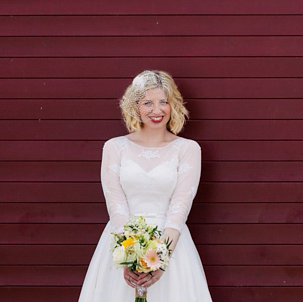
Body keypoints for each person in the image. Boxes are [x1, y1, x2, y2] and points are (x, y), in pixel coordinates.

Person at [78, 70, 213, 302]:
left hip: (171, 245)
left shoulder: (188, 149)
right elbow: (116, 203)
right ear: (135, 106)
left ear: (173, 105)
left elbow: (179, 209)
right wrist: (127, 257)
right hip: (121, 242)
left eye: (163, 102)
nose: (156, 110)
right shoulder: (114, 147)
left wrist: (161, 260)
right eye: (147, 103)